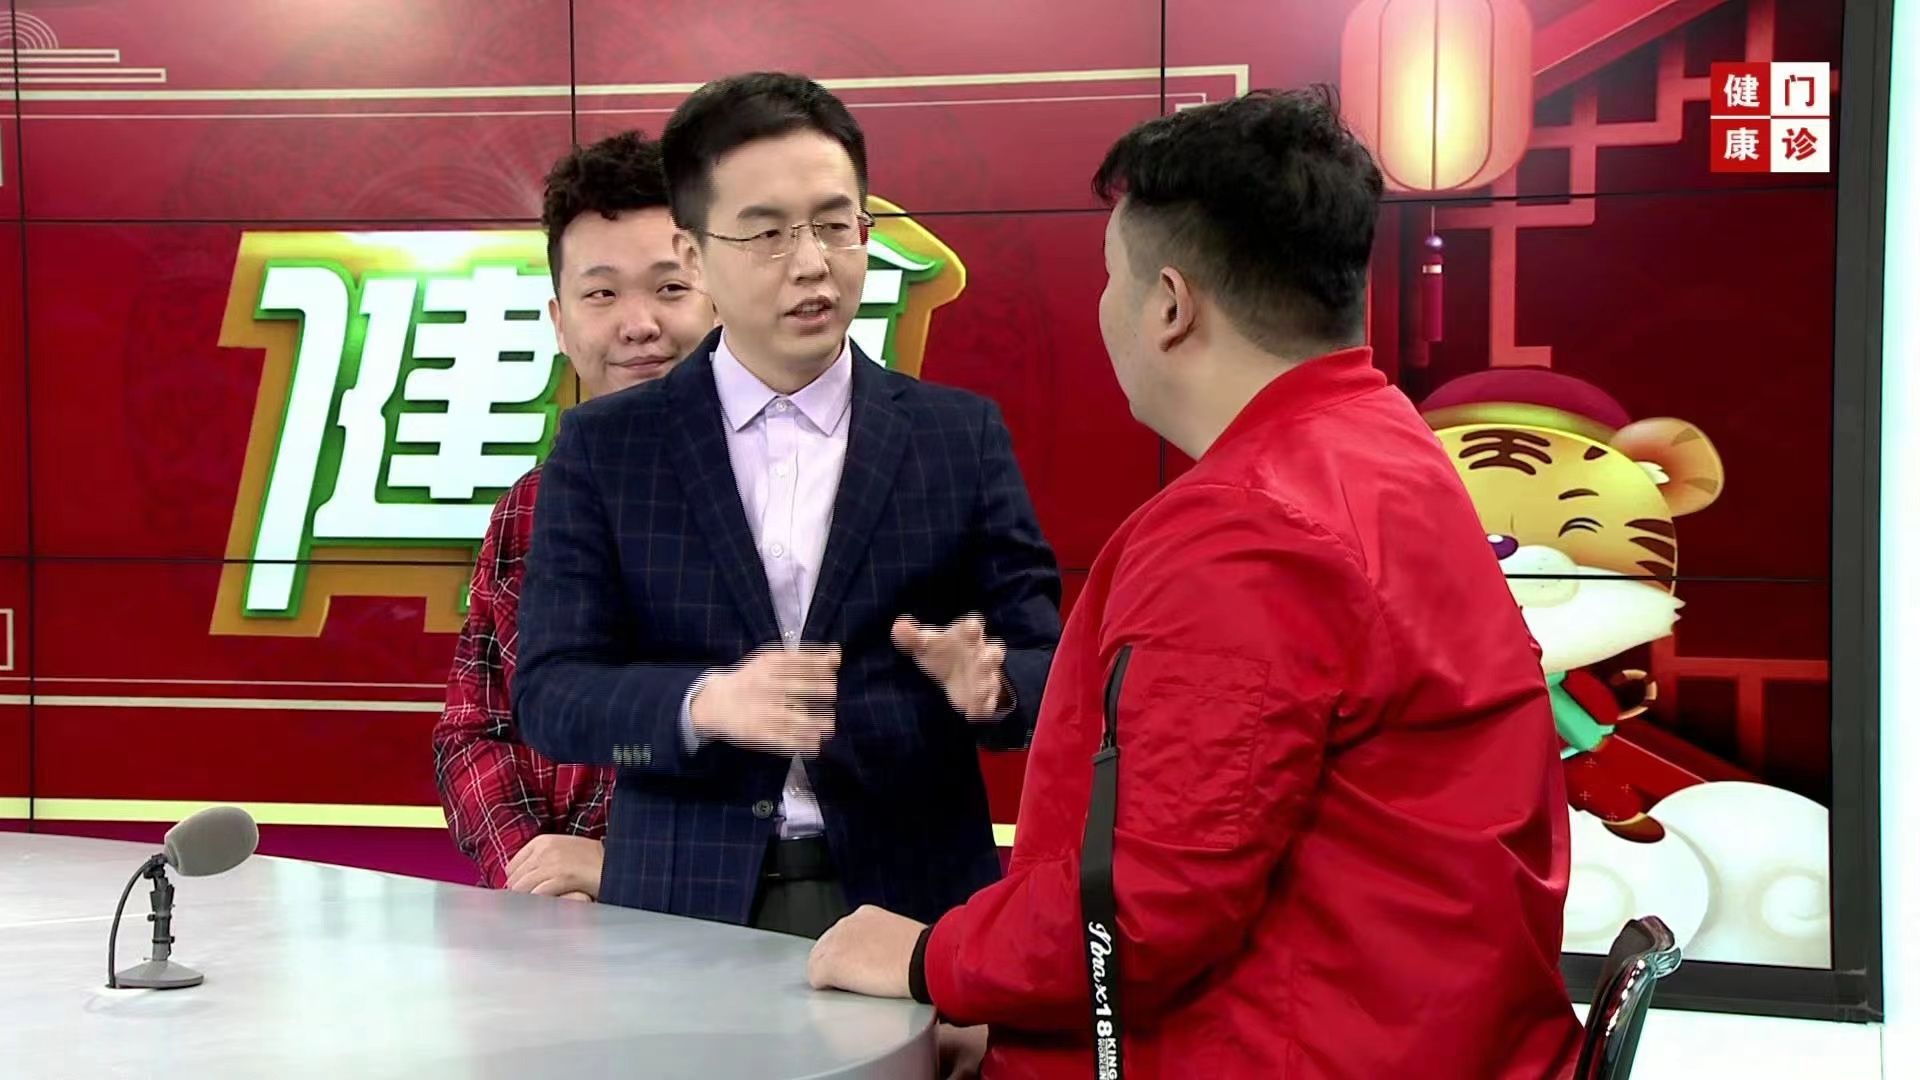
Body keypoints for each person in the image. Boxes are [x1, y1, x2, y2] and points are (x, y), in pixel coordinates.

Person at [807, 87, 1584, 1079]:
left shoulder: (1248, 529)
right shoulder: (1388, 450)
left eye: (1111, 279)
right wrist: (997, 995)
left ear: (1170, 305)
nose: (1105, 308)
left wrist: (927, 958)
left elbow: (1143, 910)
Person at [513, 72, 1062, 938]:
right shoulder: (608, 448)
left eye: (836, 225)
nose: (812, 263)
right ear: (696, 255)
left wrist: (995, 685)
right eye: (768, 233)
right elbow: (551, 693)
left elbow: (1046, 657)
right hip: (682, 905)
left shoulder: (957, 436)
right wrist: (703, 703)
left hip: (910, 904)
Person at [432, 131, 716, 901]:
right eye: (602, 294)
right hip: (556, 932)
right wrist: (535, 869)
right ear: (560, 323)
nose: (638, 324)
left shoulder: (792, 493)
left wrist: (630, 868)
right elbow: (473, 729)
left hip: (734, 931)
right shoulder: (529, 507)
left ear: (721, 296)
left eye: (670, 287)